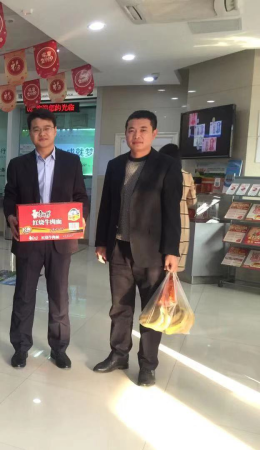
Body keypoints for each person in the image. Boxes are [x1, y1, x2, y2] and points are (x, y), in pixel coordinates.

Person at [94, 110, 182, 387]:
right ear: (126, 133)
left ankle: (148, 365)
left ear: (154, 133)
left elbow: (172, 211)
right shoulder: (115, 165)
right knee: (119, 307)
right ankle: (119, 354)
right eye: (131, 130)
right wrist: (101, 242)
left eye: (143, 130)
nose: (137, 135)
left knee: (151, 310)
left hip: (152, 252)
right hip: (119, 248)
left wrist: (172, 250)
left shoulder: (166, 166)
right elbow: (107, 206)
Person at [4, 109, 89, 370]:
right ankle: (20, 348)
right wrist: (10, 216)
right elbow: (10, 196)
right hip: (28, 239)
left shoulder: (71, 162)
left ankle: (59, 349)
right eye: (36, 129)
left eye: (47, 128)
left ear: (55, 131)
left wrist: (80, 216)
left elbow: (80, 196)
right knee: (24, 295)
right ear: (30, 133)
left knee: (59, 296)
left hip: (59, 241)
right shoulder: (18, 165)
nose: (42, 133)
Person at [159, 143, 197, 272]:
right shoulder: (187, 175)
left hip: (162, 220)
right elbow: (192, 200)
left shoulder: (158, 173)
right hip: (182, 222)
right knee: (175, 263)